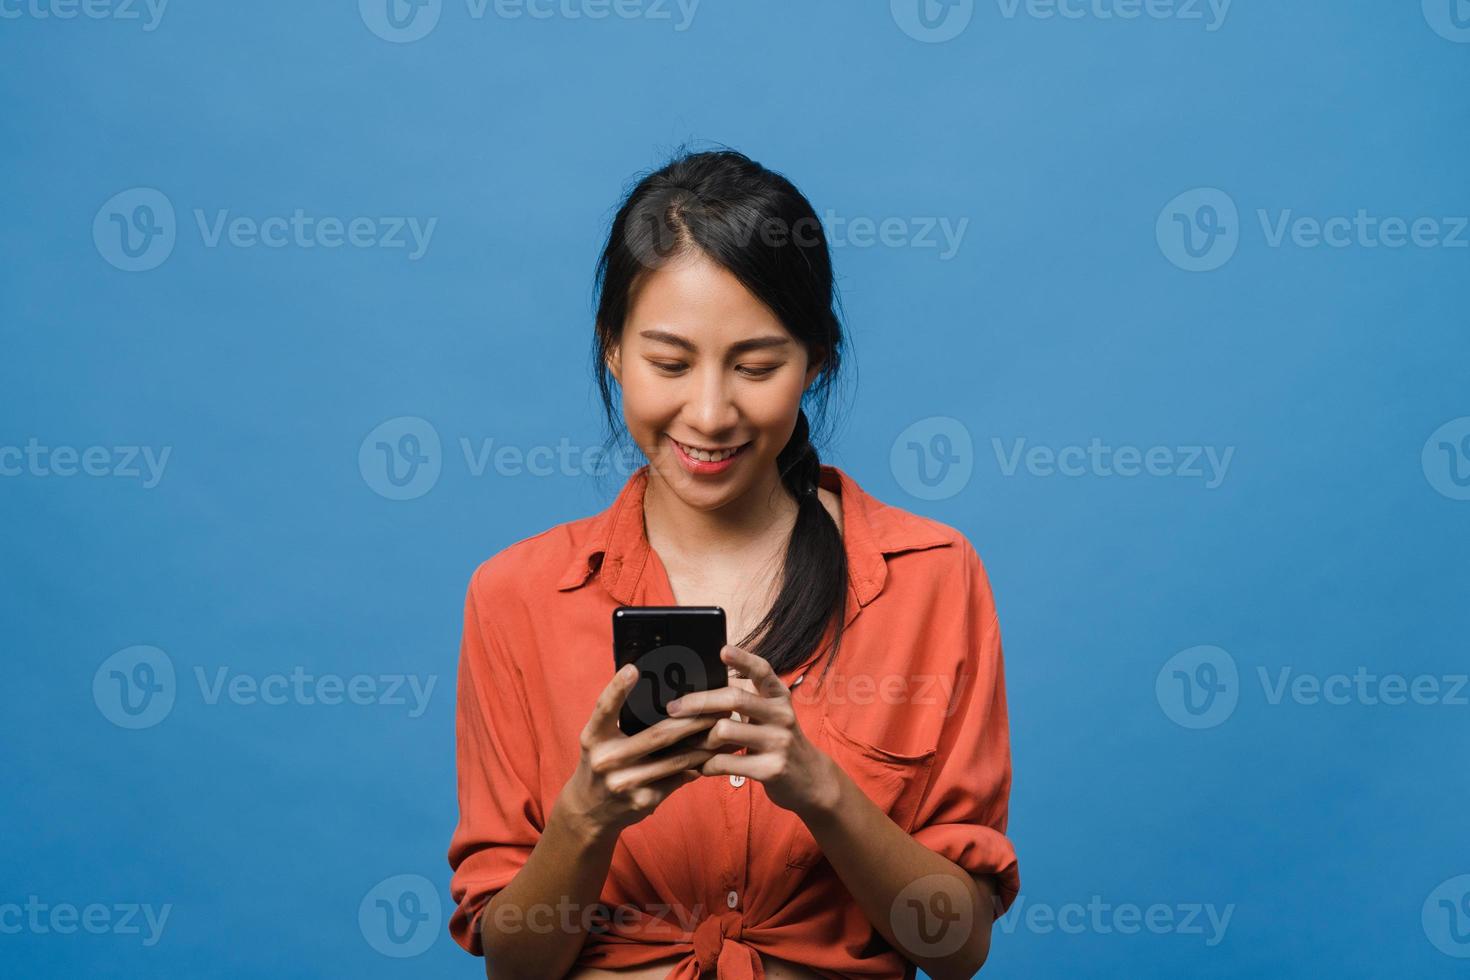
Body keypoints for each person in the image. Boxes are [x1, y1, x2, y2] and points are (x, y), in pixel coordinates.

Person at [447, 147, 1020, 979]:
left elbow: (959, 948)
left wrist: (821, 792)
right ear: (612, 348)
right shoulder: (515, 598)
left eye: (755, 366)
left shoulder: (933, 576)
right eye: (670, 363)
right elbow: (516, 968)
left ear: (816, 361)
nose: (710, 414)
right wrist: (585, 819)